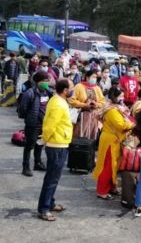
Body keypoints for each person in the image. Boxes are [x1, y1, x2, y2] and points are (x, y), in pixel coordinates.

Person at [37, 78, 74, 221]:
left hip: (59, 142)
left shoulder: (57, 100)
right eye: (71, 88)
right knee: (51, 178)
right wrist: (44, 140)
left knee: (54, 177)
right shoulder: (59, 104)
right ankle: (44, 209)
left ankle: (50, 203)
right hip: (56, 144)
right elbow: (50, 126)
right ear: (65, 91)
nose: (72, 91)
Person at [93, 87, 135, 200]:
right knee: (107, 166)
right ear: (114, 97)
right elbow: (121, 125)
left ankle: (111, 187)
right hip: (110, 141)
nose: (122, 98)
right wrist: (133, 125)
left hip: (114, 140)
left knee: (114, 166)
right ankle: (102, 191)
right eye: (120, 96)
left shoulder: (117, 108)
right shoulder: (112, 110)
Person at [18, 71, 52, 177]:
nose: (46, 83)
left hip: (44, 124)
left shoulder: (48, 92)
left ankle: (37, 163)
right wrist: (29, 118)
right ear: (38, 82)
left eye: (47, 81)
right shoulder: (30, 93)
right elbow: (22, 109)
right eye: (44, 81)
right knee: (29, 145)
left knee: (40, 144)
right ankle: (26, 167)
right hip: (32, 125)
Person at [69, 70, 106, 139]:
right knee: (81, 132)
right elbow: (72, 100)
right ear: (87, 77)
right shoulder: (79, 86)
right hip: (81, 114)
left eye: (96, 77)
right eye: (93, 77)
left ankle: (91, 146)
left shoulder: (97, 88)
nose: (94, 79)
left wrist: (96, 104)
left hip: (94, 115)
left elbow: (103, 101)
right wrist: (84, 105)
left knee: (93, 132)